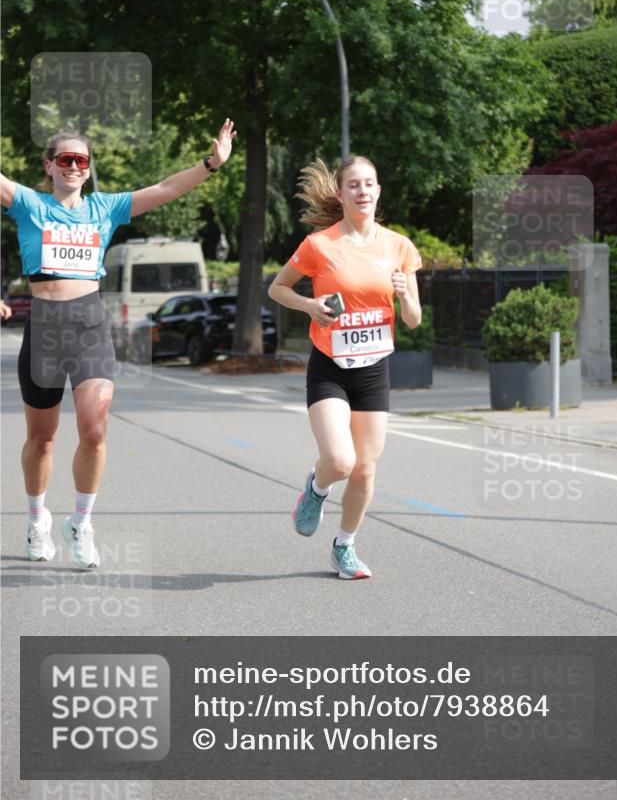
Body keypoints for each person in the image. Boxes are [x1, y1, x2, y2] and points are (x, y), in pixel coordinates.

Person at [0, 120, 236, 569]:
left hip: (89, 323)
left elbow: (165, 188)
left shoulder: (105, 208)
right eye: (64, 159)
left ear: (88, 170)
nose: (73, 166)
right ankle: (36, 518)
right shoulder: (30, 204)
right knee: (42, 439)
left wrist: (211, 164)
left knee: (94, 428)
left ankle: (82, 522)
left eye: (81, 160)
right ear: (48, 165)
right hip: (45, 326)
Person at [268, 156, 422, 579]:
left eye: (370, 183)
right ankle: (316, 489)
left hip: (374, 369)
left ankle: (344, 547)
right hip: (330, 365)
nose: (363, 191)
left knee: (366, 468)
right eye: (354, 185)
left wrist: (404, 294)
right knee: (339, 461)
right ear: (341, 193)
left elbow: (413, 319)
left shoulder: (398, 247)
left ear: (378, 190)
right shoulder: (320, 245)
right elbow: (278, 288)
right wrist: (309, 306)